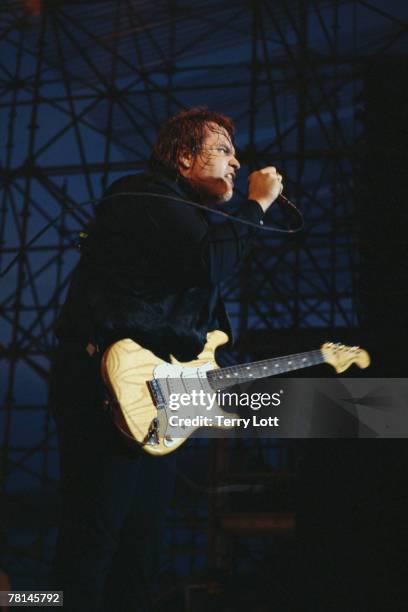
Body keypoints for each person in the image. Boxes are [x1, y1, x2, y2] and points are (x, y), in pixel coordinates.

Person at [50, 107, 283, 611]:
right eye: (222, 149)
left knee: (141, 553)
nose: (237, 163)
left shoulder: (198, 217)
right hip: (102, 387)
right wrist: (258, 205)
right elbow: (210, 261)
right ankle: (28, 602)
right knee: (91, 544)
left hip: (153, 398)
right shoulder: (143, 195)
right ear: (182, 157)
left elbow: (200, 311)